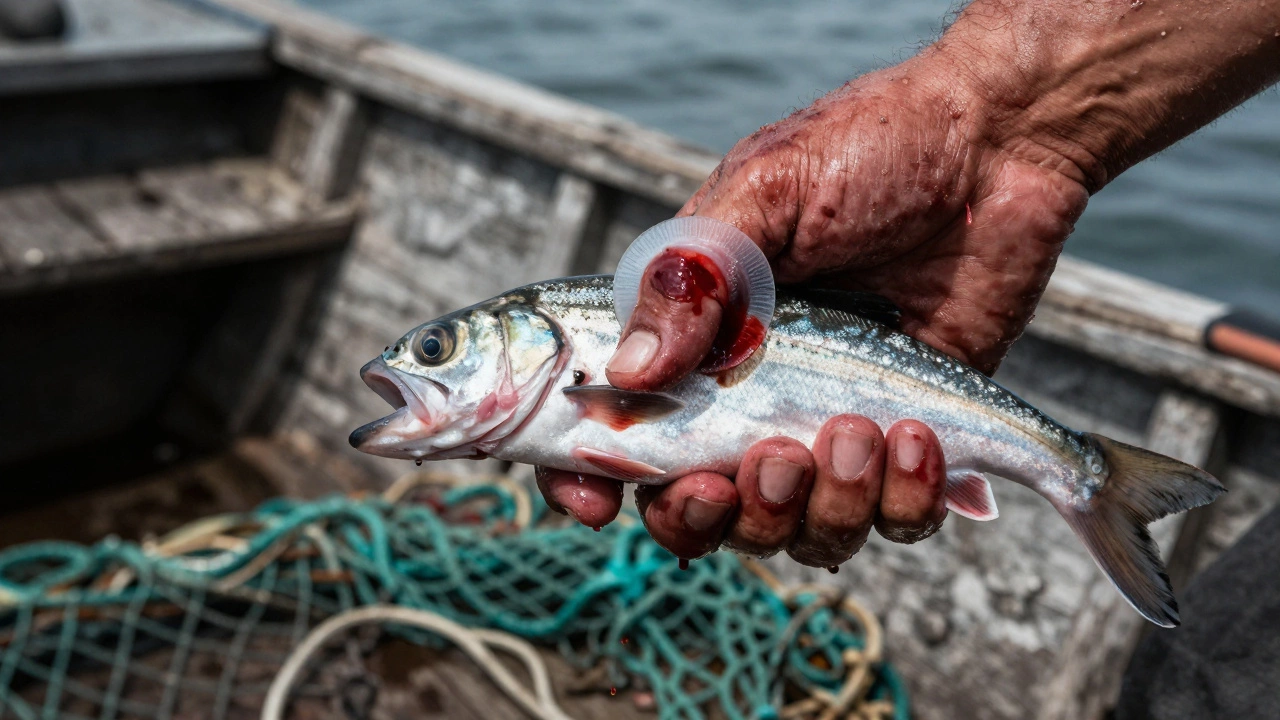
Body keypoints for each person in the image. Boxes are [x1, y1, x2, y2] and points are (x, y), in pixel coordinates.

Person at [538, 0, 1280, 567]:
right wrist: (1004, 135)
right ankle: (1084, 472)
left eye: (439, 351)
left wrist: (996, 131)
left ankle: (1086, 476)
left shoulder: (598, 372)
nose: (423, 367)